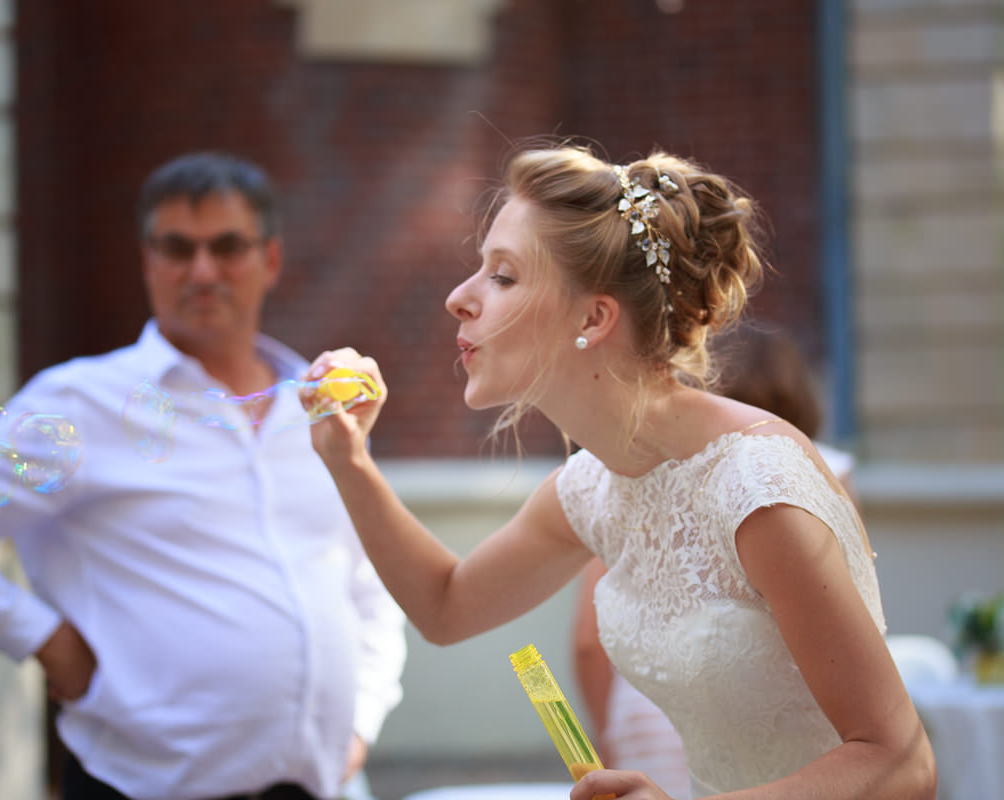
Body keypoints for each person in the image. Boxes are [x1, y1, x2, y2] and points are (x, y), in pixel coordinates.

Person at [303, 142, 935, 799]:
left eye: (503, 275)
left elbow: (901, 764)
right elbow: (446, 608)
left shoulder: (756, 486)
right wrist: (346, 459)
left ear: (594, 317)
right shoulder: (593, 489)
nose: (458, 298)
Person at [0, 152, 407, 800]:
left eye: (227, 246)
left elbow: (367, 584)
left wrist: (362, 720)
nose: (202, 270)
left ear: (270, 260)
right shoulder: (80, 403)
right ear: (148, 261)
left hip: (317, 787)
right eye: (177, 248)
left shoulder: (316, 407)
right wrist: (42, 638)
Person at [570, 325, 860, 800]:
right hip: (770, 714)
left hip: (645, 712)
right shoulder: (826, 470)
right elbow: (853, 609)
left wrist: (605, 732)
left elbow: (587, 641)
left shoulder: (639, 475)